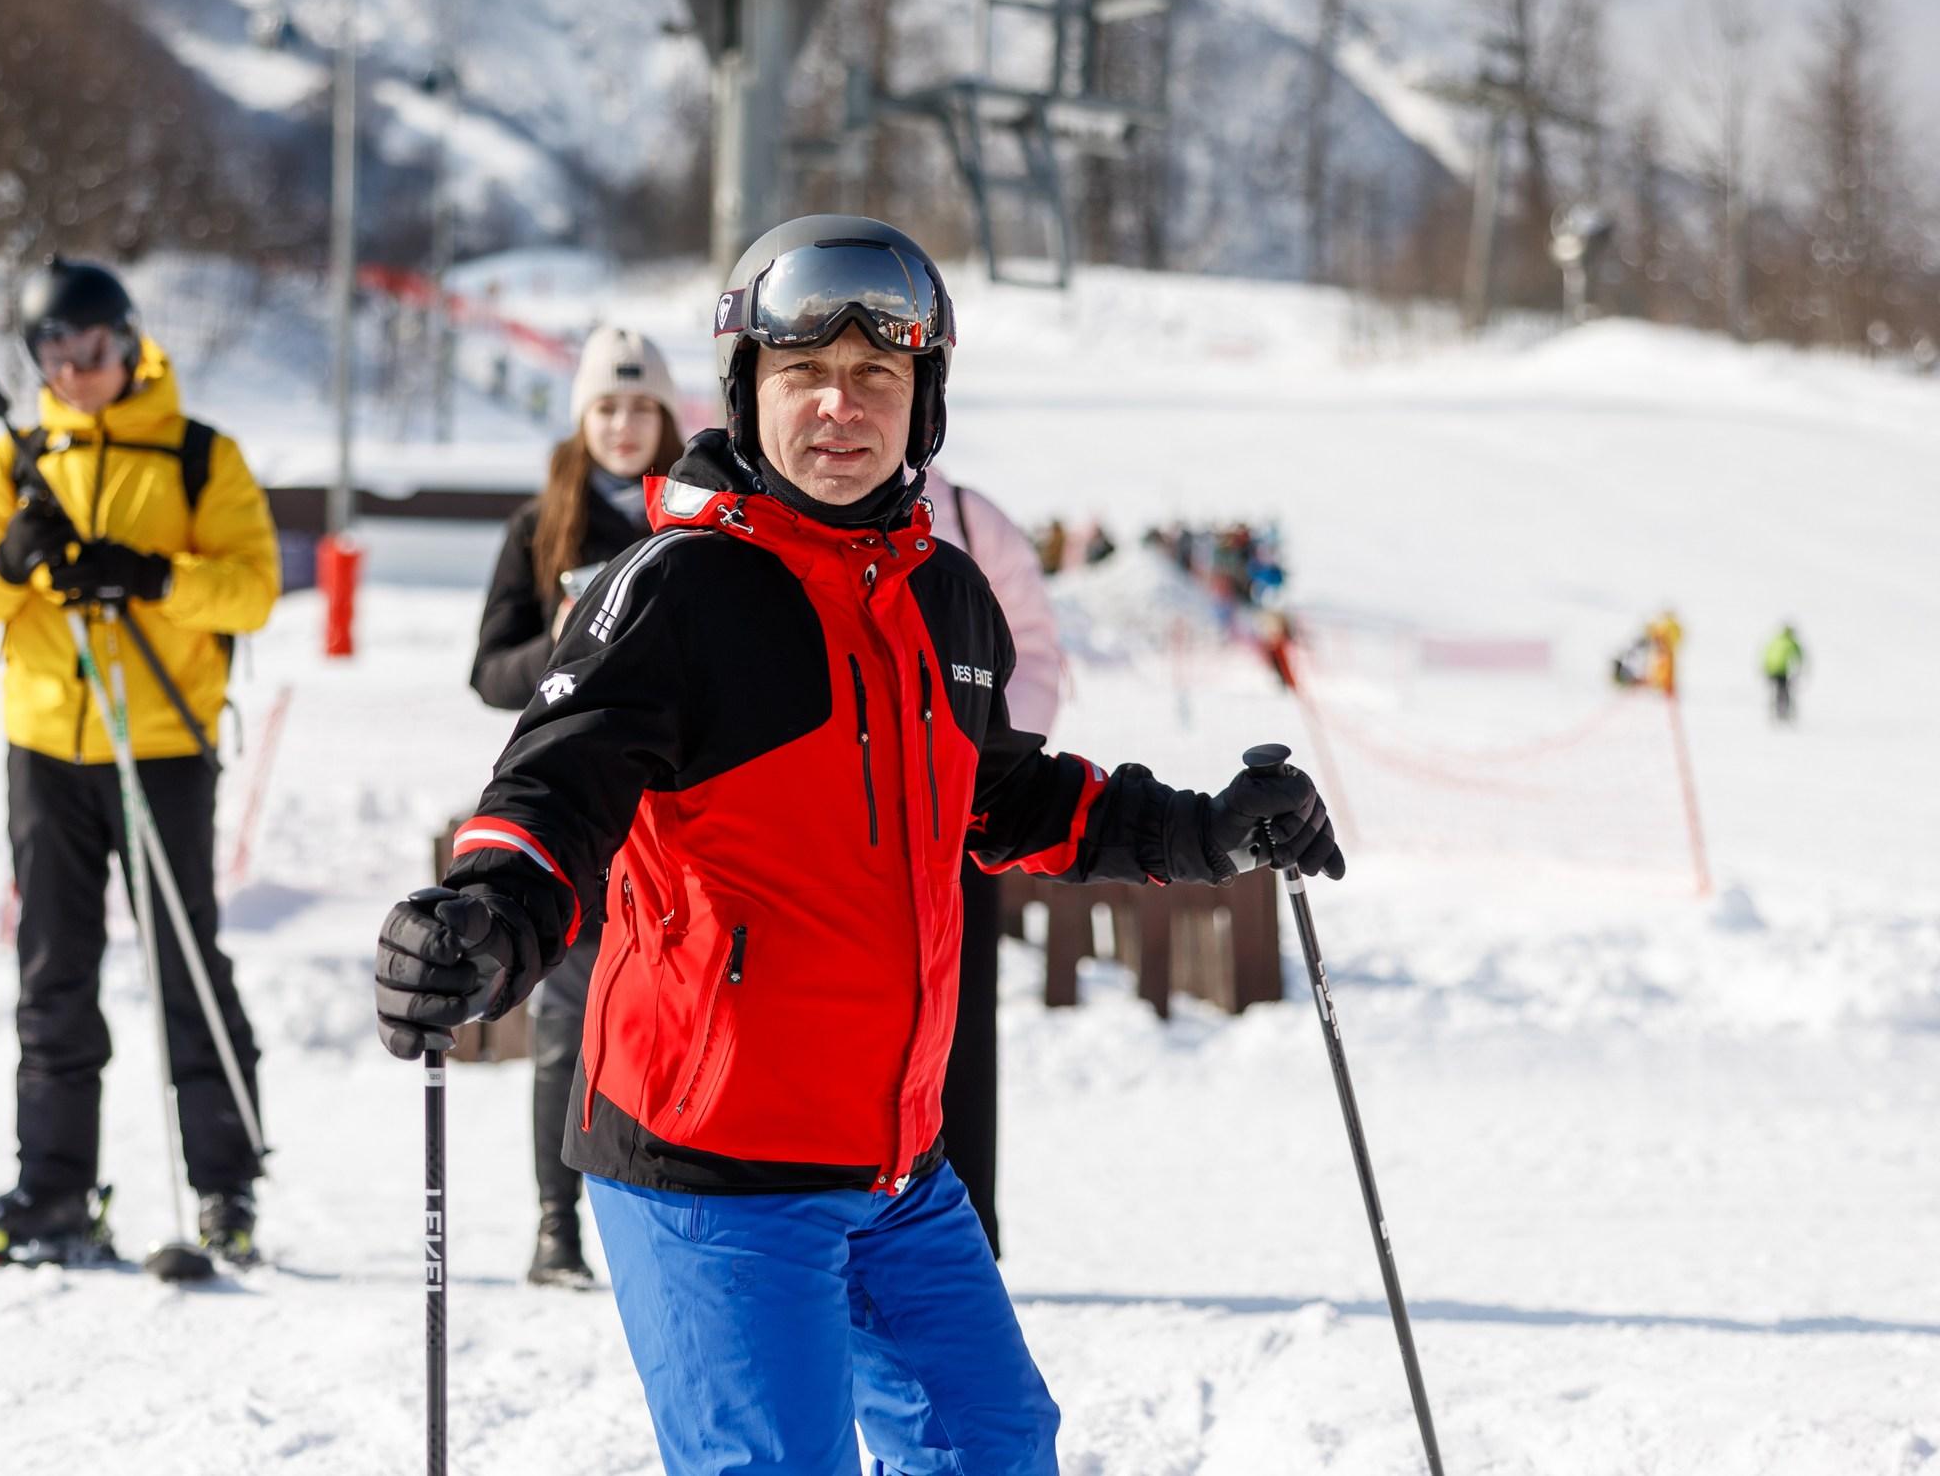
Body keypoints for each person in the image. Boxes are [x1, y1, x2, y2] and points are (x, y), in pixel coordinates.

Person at [373, 216, 1343, 1475]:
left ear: (921, 399)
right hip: (709, 1165)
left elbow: (1002, 795)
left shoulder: (944, 594)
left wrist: (1206, 831)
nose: (840, 407)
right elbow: (556, 788)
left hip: (893, 1160)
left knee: (992, 1443)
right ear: (748, 390)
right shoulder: (677, 589)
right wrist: (489, 915)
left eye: (876, 376)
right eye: (803, 375)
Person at [0, 256, 281, 1267]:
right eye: (50, 351)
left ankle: (225, 1183)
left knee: (184, 963)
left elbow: (253, 590)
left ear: (127, 344)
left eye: (89, 349)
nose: (71, 370)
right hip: (46, 744)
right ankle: (53, 1184)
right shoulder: (18, 459)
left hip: (162, 745)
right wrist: (12, 561)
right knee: (53, 969)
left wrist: (148, 574)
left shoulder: (194, 457)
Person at [470, 324, 685, 1288]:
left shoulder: (696, 512)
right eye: (607, 405)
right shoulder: (539, 524)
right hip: (576, 802)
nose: (626, 424)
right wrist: (560, 635)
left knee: (675, 1017)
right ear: (581, 418)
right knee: (567, 1020)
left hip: (676, 809)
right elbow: (487, 671)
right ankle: (556, 1227)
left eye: (643, 406)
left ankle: (676, 1220)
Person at [924, 468, 1063, 1259]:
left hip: (962, 815)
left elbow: (1036, 652)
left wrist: (986, 757)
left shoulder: (974, 520)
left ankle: (972, 1223)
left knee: (961, 1020)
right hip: (849, 825)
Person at [1763, 622, 1804, 723]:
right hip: (1781, 669)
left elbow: (1766, 653)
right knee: (1784, 691)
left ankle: (1776, 711)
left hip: (1771, 669)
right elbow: (1799, 655)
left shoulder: (1775, 640)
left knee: (1777, 690)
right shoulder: (1791, 642)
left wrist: (1766, 667)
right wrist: (1799, 669)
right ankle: (1783, 713)